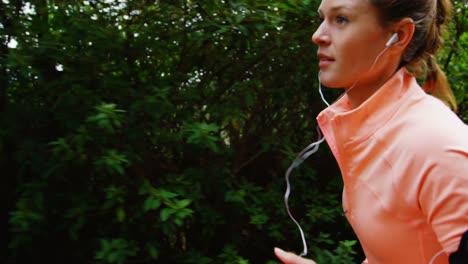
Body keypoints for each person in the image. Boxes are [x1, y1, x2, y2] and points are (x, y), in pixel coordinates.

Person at [274, 0, 468, 263]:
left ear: (398, 35)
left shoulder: (436, 145)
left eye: (341, 19)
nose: (318, 35)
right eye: (322, 18)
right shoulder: (371, 128)